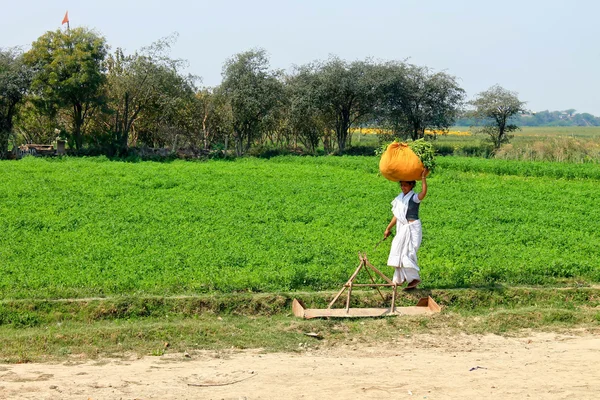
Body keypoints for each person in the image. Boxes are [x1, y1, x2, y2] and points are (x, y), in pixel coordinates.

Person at [383, 168, 428, 290]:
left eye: (406, 185)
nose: (403, 187)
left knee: (407, 254)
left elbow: (423, 194)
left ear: (412, 185)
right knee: (398, 251)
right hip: (402, 229)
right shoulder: (400, 199)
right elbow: (397, 216)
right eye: (402, 185)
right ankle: (399, 280)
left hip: (412, 229)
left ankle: (414, 279)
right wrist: (388, 228)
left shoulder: (413, 197)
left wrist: (423, 177)